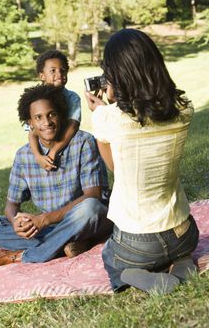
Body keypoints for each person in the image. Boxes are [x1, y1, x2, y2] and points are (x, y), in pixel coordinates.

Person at [85, 28, 199, 294]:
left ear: (115, 75)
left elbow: (114, 167)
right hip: (184, 233)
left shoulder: (108, 117)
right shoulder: (184, 109)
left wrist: (104, 109)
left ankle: (135, 275)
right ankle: (181, 260)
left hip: (137, 242)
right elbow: (147, 112)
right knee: (176, 246)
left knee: (109, 256)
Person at [0, 84, 112, 268]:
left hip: (84, 220)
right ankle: (66, 244)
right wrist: (16, 221)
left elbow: (93, 196)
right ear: (30, 123)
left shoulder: (83, 142)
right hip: (51, 227)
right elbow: (11, 205)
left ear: (61, 115)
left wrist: (44, 219)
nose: (46, 122)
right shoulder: (24, 155)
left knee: (90, 208)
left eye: (52, 114)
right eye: (38, 117)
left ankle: (31, 255)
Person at [29, 49, 81, 171]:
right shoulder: (34, 100)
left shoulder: (72, 98)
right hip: (44, 148)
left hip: (68, 145)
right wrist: (38, 156)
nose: (59, 74)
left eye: (63, 70)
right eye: (53, 70)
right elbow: (32, 132)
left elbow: (72, 126)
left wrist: (53, 151)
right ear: (42, 76)